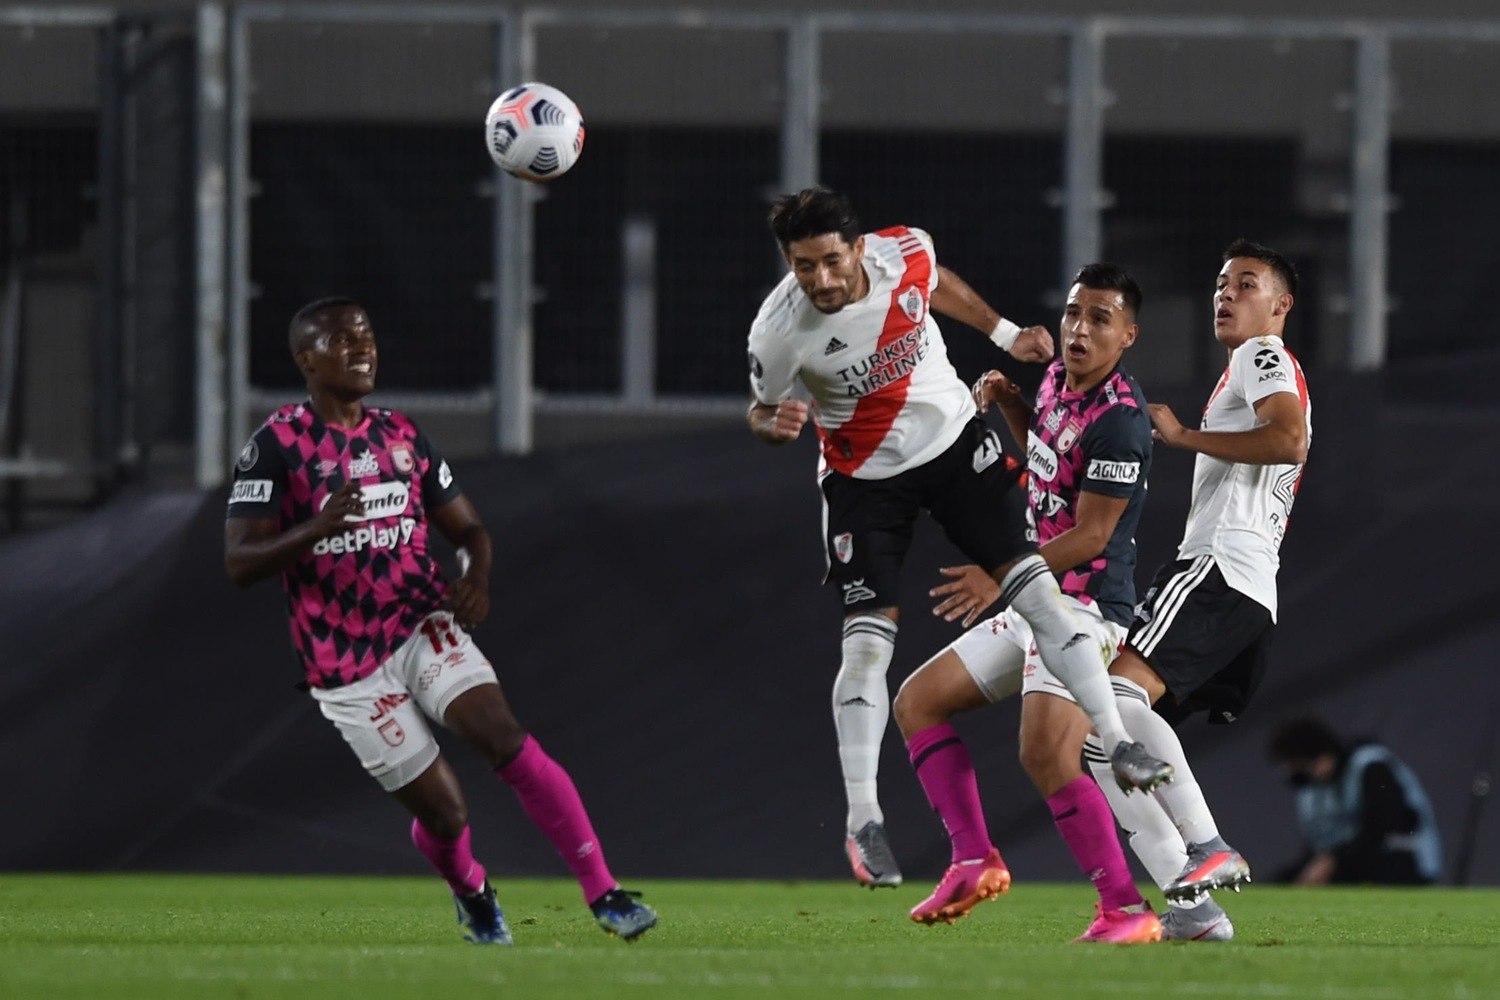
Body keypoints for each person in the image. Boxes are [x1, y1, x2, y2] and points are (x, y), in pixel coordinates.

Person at [745, 187, 1172, 889]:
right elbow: (760, 411)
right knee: (865, 647)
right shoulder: (777, 333)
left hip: (951, 448)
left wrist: (1001, 332)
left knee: (1036, 592)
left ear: (859, 248)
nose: (819, 279)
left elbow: (934, 282)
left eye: (828, 260)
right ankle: (865, 823)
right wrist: (775, 426)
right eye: (802, 267)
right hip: (863, 480)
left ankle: (1121, 747)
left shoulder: (904, 250)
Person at [224, 297, 657, 945]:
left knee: (501, 735)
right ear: (305, 359)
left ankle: (605, 892)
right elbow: (238, 563)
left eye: (366, 335)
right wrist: (316, 528)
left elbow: (471, 529)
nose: (361, 348)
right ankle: (471, 890)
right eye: (340, 340)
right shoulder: (274, 448)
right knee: (447, 815)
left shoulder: (401, 434)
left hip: (420, 621)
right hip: (344, 662)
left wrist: (475, 578)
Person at [892, 262, 1168, 943]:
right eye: (1075, 312)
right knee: (917, 702)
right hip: (1037, 595)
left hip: (1084, 608)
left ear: (1127, 335)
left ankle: (1127, 911)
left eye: (1100, 319)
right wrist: (1014, 403)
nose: (1079, 328)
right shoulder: (1056, 382)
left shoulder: (1122, 422)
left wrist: (1001, 574)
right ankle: (973, 859)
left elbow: (1095, 532)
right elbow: (1045, 458)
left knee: (1045, 752)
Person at [1061, 239, 1312, 939]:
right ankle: (1194, 909)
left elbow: (1287, 440)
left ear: (1280, 306)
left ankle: (1205, 848)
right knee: (1094, 738)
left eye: (1247, 283)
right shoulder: (1264, 364)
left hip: (1218, 570)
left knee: (1107, 700)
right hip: (1246, 588)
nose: (1226, 294)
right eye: (1220, 282)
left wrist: (1184, 435)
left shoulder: (1258, 354)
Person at [1269, 717, 1442, 885]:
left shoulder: (1370, 767)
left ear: (1320, 759)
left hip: (1404, 861)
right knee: (1283, 881)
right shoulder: (1312, 788)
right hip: (1350, 860)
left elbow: (1384, 828)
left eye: (1298, 767)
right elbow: (1320, 845)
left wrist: (1334, 860)